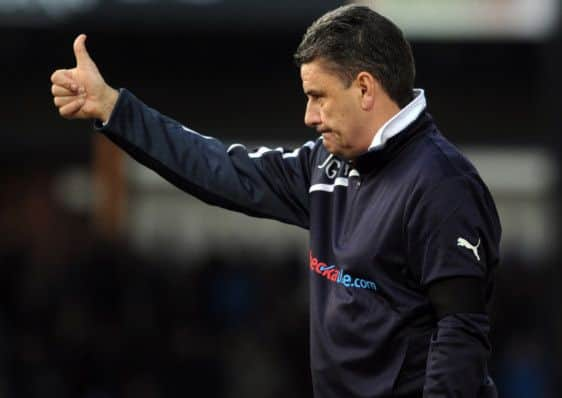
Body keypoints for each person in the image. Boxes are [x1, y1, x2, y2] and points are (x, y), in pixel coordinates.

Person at [50, 5, 501, 397]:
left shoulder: (443, 185)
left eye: (318, 97)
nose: (309, 116)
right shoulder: (324, 166)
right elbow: (218, 168)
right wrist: (115, 109)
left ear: (365, 88)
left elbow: (459, 335)